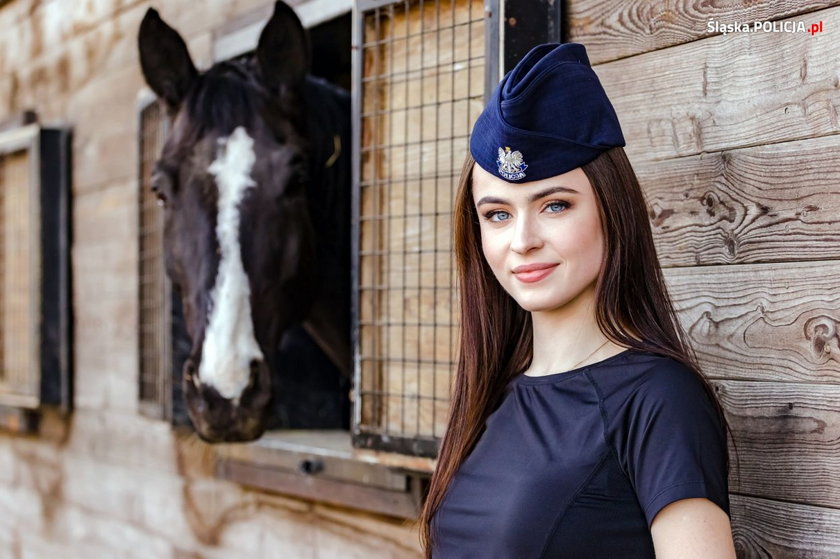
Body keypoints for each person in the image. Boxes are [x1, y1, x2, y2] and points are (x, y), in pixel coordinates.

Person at [417, 43, 738, 558]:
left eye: (555, 205)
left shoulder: (659, 399)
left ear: (612, 210)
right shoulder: (492, 390)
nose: (523, 239)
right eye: (497, 214)